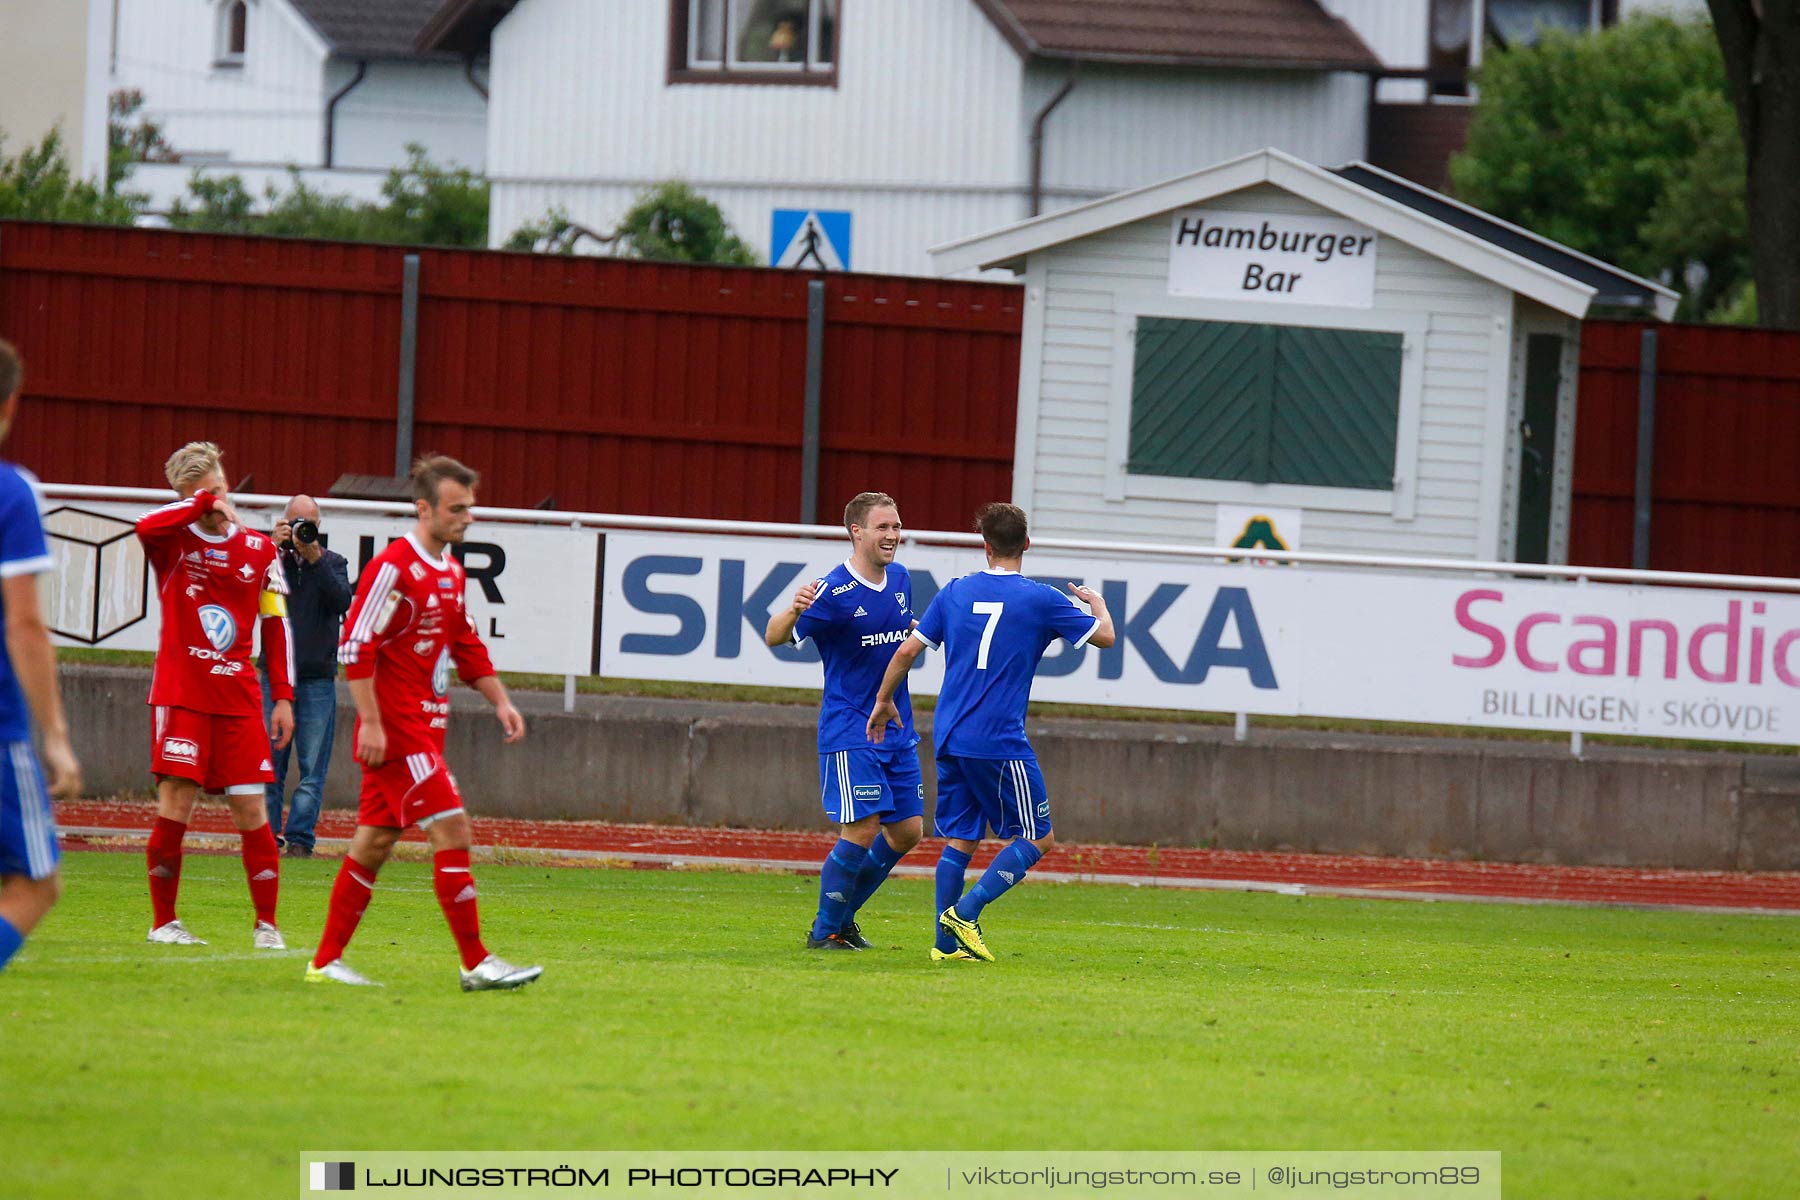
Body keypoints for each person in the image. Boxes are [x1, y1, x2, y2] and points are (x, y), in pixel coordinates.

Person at [306, 455, 540, 991]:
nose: (467, 518)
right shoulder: (395, 566)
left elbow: (466, 644)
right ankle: (476, 961)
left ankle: (323, 962)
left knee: (372, 845)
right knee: (453, 828)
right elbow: (355, 644)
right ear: (424, 509)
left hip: (422, 729)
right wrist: (369, 722)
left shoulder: (451, 572)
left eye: (470, 508)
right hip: (398, 730)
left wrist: (500, 701)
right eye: (457, 508)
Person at [867, 502, 1114, 962]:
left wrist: (883, 701)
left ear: (985, 546)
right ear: (1026, 544)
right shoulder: (1041, 598)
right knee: (1039, 838)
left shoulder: (955, 591)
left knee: (961, 837)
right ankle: (967, 913)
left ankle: (945, 948)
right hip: (998, 738)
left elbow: (904, 653)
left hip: (950, 732)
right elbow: (1105, 638)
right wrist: (1096, 605)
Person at [135, 442, 294, 949]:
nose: (217, 499)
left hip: (239, 699)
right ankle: (164, 923)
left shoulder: (260, 550)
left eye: (220, 488)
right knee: (176, 806)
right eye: (205, 494)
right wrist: (200, 503)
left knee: (253, 810)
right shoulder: (173, 541)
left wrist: (284, 696)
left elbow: (276, 624)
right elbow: (144, 526)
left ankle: (267, 927)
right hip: (182, 694)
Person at [765, 492, 922, 951]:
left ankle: (843, 917)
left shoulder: (901, 580)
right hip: (851, 727)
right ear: (857, 532)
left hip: (897, 726)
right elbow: (774, 636)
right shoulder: (831, 591)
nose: (893, 536)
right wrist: (794, 609)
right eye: (883, 527)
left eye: (896, 526)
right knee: (863, 827)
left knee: (908, 830)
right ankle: (825, 930)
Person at [0, 338, 82, 972]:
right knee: (35, 884)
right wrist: (52, 733)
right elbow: (24, 623)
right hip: (0, 731)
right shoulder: (12, 492)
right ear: (12, 401)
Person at [261, 495, 351, 857]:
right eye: (295, 522)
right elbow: (245, 586)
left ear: (318, 527)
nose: (301, 530)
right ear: (283, 522)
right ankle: (266, 838)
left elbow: (342, 600)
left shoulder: (333, 562)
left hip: (316, 678)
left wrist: (314, 559)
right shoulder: (271, 561)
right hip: (274, 674)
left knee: (312, 766)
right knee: (269, 763)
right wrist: (270, 547)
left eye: (308, 523)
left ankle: (300, 840)